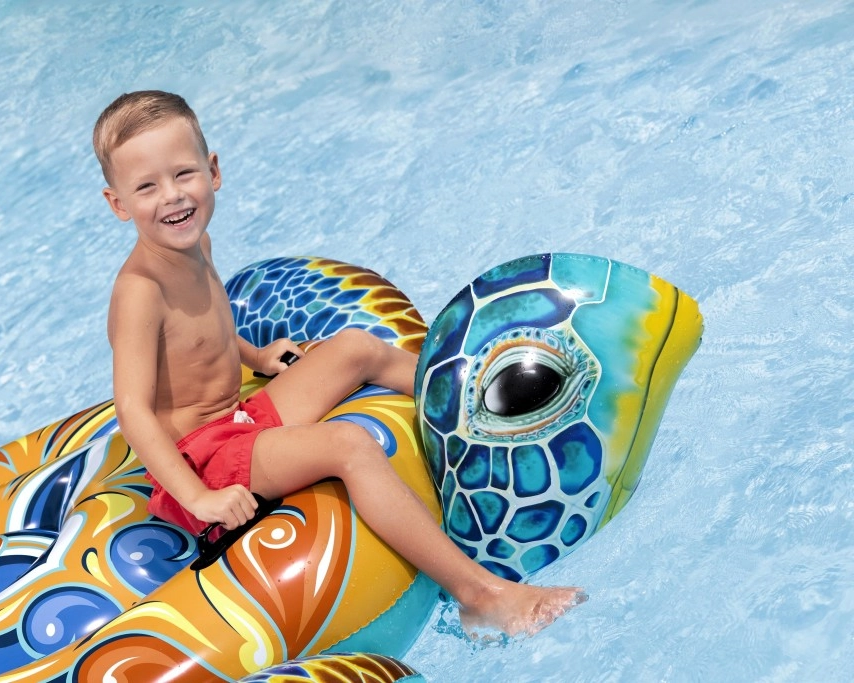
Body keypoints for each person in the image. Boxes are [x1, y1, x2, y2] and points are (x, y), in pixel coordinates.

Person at [94, 90, 586, 638]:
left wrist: (255, 355)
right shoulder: (138, 292)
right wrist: (198, 497)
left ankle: (479, 408)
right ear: (118, 203)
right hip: (205, 460)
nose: (172, 196)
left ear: (213, 171)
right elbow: (132, 409)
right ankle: (482, 596)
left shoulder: (196, 244)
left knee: (355, 346)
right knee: (348, 444)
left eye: (183, 173)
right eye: (146, 187)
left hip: (239, 421)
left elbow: (202, 327)